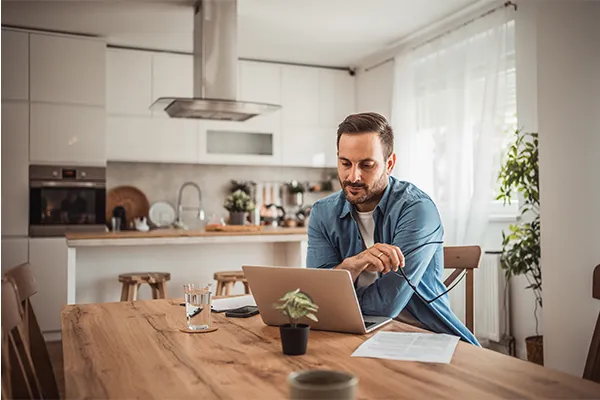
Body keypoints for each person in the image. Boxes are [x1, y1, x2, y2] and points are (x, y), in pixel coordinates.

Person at [306, 112, 480, 345]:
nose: (353, 176)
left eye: (366, 165)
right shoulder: (323, 213)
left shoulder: (417, 209)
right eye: (345, 163)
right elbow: (316, 298)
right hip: (353, 335)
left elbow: (385, 305)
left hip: (424, 336)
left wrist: (335, 297)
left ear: (389, 164)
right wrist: (351, 265)